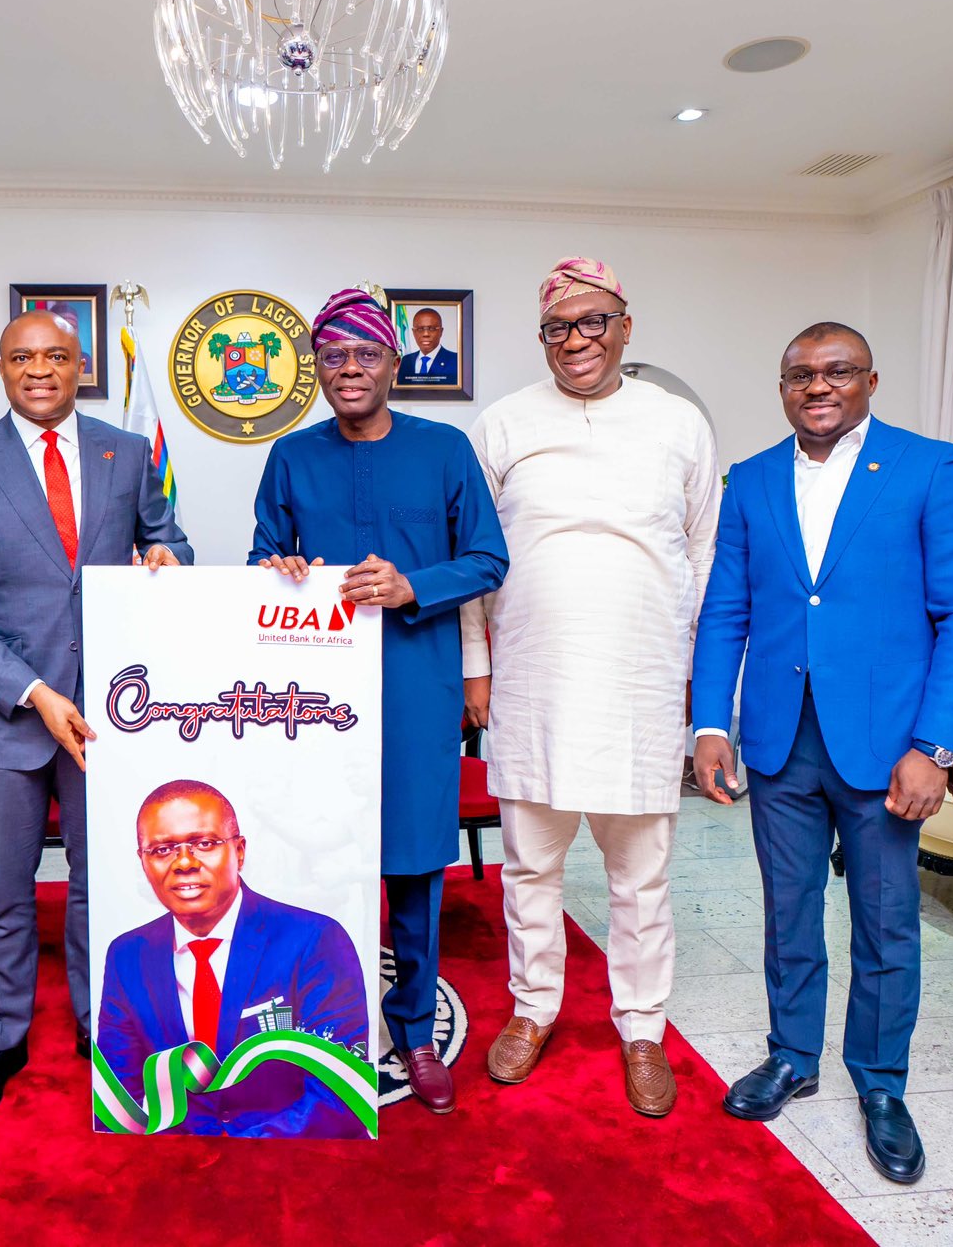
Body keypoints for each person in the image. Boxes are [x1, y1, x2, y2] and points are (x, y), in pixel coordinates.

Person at [689, 321, 953, 1178]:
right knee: (789, 914)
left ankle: (881, 1082)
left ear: (870, 380)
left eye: (836, 372)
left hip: (888, 744)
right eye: (798, 375)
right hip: (781, 741)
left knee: (887, 924)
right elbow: (726, 612)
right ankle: (792, 1055)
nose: (817, 387)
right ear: (782, 387)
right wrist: (710, 723)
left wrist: (936, 748)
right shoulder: (749, 480)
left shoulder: (931, 469)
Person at [0, 308, 192, 1125]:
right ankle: (3, 1039)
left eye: (57, 356)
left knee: (100, 886)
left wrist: (169, 555)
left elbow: (164, 539)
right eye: (23, 357)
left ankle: (100, 1026)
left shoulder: (128, 451)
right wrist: (33, 689)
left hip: (113, 713)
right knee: (3, 892)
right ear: (1, 368)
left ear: (81, 367)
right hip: (12, 713)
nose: (40, 369)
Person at [460, 257, 718, 1118]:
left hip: (644, 678)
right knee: (529, 866)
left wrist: (695, 676)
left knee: (639, 876)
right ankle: (534, 1010)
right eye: (559, 327)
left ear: (625, 327)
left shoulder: (678, 422)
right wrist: (477, 666)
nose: (578, 341)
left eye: (594, 322)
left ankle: (642, 1027)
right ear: (542, 339)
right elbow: (475, 559)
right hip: (531, 676)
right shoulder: (502, 423)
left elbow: (703, 556)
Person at [251, 286, 508, 1114]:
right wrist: (276, 569)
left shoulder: (445, 449)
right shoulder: (291, 454)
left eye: (365, 354)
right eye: (333, 357)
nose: (349, 369)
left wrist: (411, 584)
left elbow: (488, 558)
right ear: (318, 368)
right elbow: (263, 553)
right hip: (313, 693)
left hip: (414, 683)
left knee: (413, 863)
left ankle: (414, 1031)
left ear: (393, 363)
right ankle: (318, 1016)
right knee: (313, 852)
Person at [95, 780, 368, 1138]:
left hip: (290, 1154)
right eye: (162, 850)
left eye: (204, 843)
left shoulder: (315, 940)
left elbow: (341, 1091)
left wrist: (237, 1157)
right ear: (143, 862)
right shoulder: (126, 955)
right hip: (179, 1156)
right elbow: (119, 1095)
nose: (184, 863)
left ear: (239, 852)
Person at [395, 307, 458, 386]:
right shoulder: (405, 361)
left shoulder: (456, 361)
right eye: (420, 329)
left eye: (431, 329)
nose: (426, 334)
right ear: (413, 332)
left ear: (441, 332)